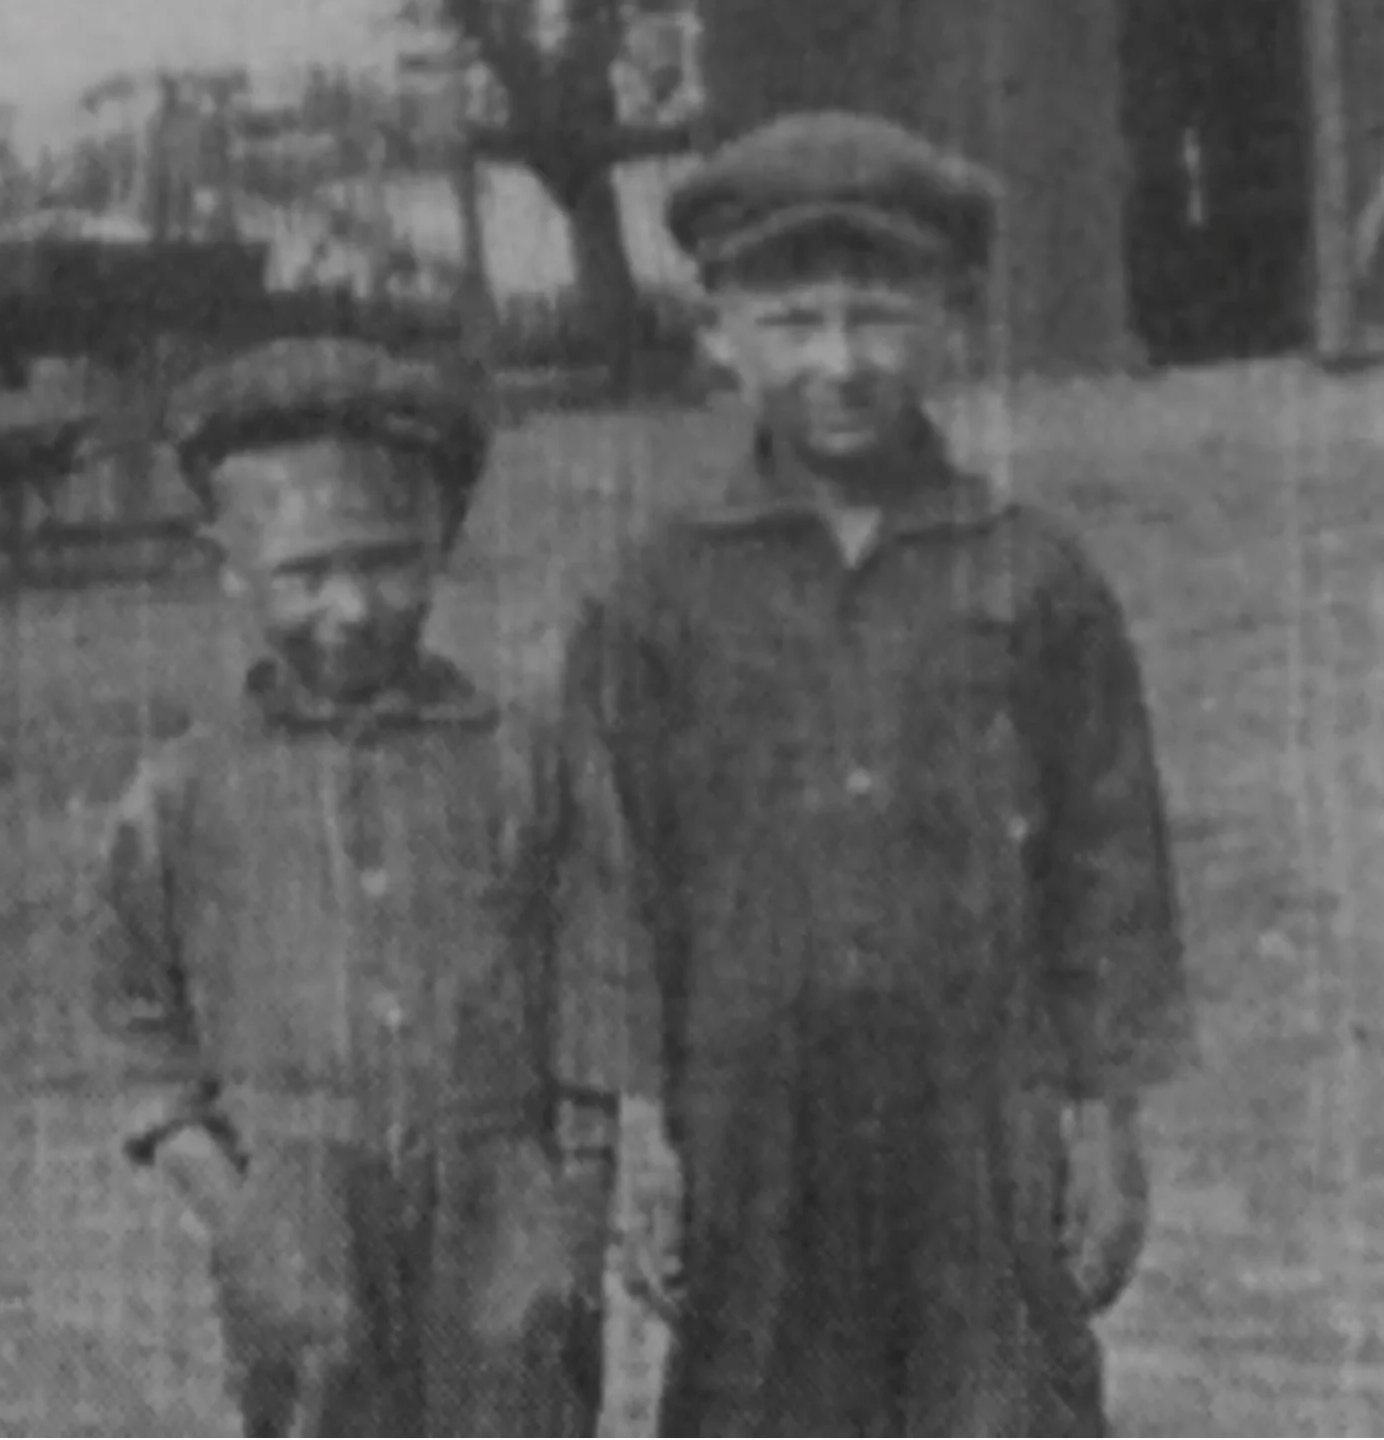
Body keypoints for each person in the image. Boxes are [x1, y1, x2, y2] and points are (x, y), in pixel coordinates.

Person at [475, 110, 1200, 1435]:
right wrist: (634, 1129)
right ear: (718, 335)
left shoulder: (1031, 574)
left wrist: (1106, 1119)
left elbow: (1110, 860)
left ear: (950, 322)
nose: (842, 359)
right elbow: (607, 878)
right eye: (794, 320)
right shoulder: (656, 595)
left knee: (1004, 1404)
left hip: (981, 1099)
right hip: (748, 1104)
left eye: (878, 316)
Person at [82, 337, 590, 1436]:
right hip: (294, 1203)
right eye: (304, 572)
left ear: (442, 544)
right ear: (229, 564)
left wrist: (571, 1203)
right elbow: (136, 1020)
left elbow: (603, 976)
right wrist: (236, 1207)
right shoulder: (183, 793)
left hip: (501, 1207)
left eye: (386, 560)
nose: (350, 607)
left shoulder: (526, 764)